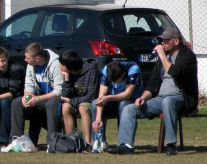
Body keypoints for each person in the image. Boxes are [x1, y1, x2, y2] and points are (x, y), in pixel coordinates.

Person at [109, 28, 198, 156]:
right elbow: (152, 85)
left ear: (176, 41)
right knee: (129, 108)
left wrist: (161, 55)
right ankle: (125, 145)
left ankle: (171, 145)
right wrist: (143, 98)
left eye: (166, 40)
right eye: (162, 40)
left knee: (168, 101)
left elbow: (175, 72)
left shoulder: (187, 56)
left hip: (181, 98)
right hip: (160, 98)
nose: (163, 43)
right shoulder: (162, 59)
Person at [10, 43, 64, 146]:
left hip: (56, 99)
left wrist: (37, 99)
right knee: (17, 103)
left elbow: (59, 91)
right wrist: (27, 97)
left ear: (37, 58)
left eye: (28, 58)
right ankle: (16, 140)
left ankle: (52, 142)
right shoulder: (31, 65)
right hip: (41, 98)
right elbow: (29, 85)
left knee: (51, 103)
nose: (25, 60)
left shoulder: (55, 64)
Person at [91, 60, 145, 147]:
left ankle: (123, 142)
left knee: (123, 104)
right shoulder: (106, 69)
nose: (114, 82)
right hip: (114, 99)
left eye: (116, 80)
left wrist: (108, 98)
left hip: (132, 100)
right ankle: (98, 141)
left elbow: (127, 95)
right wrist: (98, 118)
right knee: (94, 104)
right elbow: (101, 97)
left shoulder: (133, 69)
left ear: (123, 74)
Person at [58, 50, 99, 145]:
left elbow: (91, 96)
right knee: (65, 107)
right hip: (76, 100)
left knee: (82, 107)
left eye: (62, 65)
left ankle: (87, 142)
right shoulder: (70, 74)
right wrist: (67, 78)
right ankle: (71, 142)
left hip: (91, 102)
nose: (60, 67)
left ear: (71, 66)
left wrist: (72, 101)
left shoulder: (92, 72)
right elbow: (65, 95)